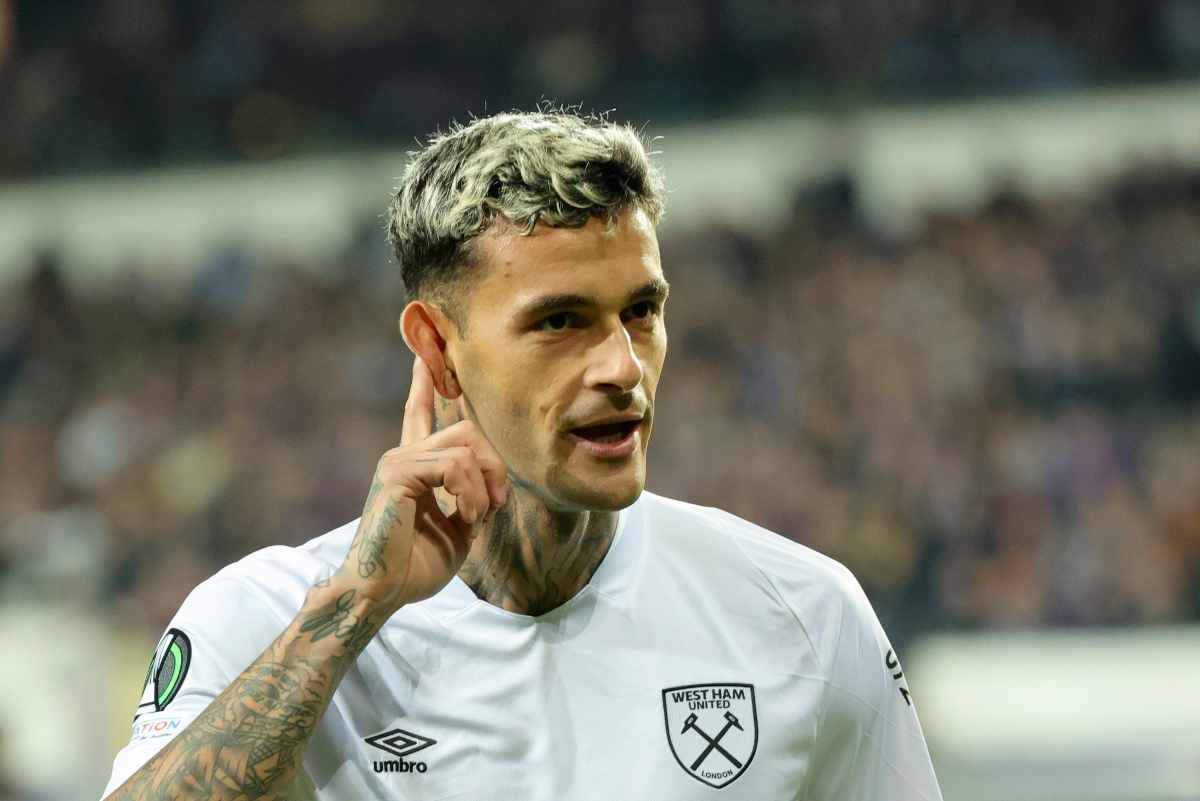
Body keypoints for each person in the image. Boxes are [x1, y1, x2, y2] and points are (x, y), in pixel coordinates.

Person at [100, 110, 943, 801]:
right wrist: (352, 611)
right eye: (559, 321)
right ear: (438, 349)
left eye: (641, 312)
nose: (622, 367)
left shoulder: (802, 614)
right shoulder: (264, 619)